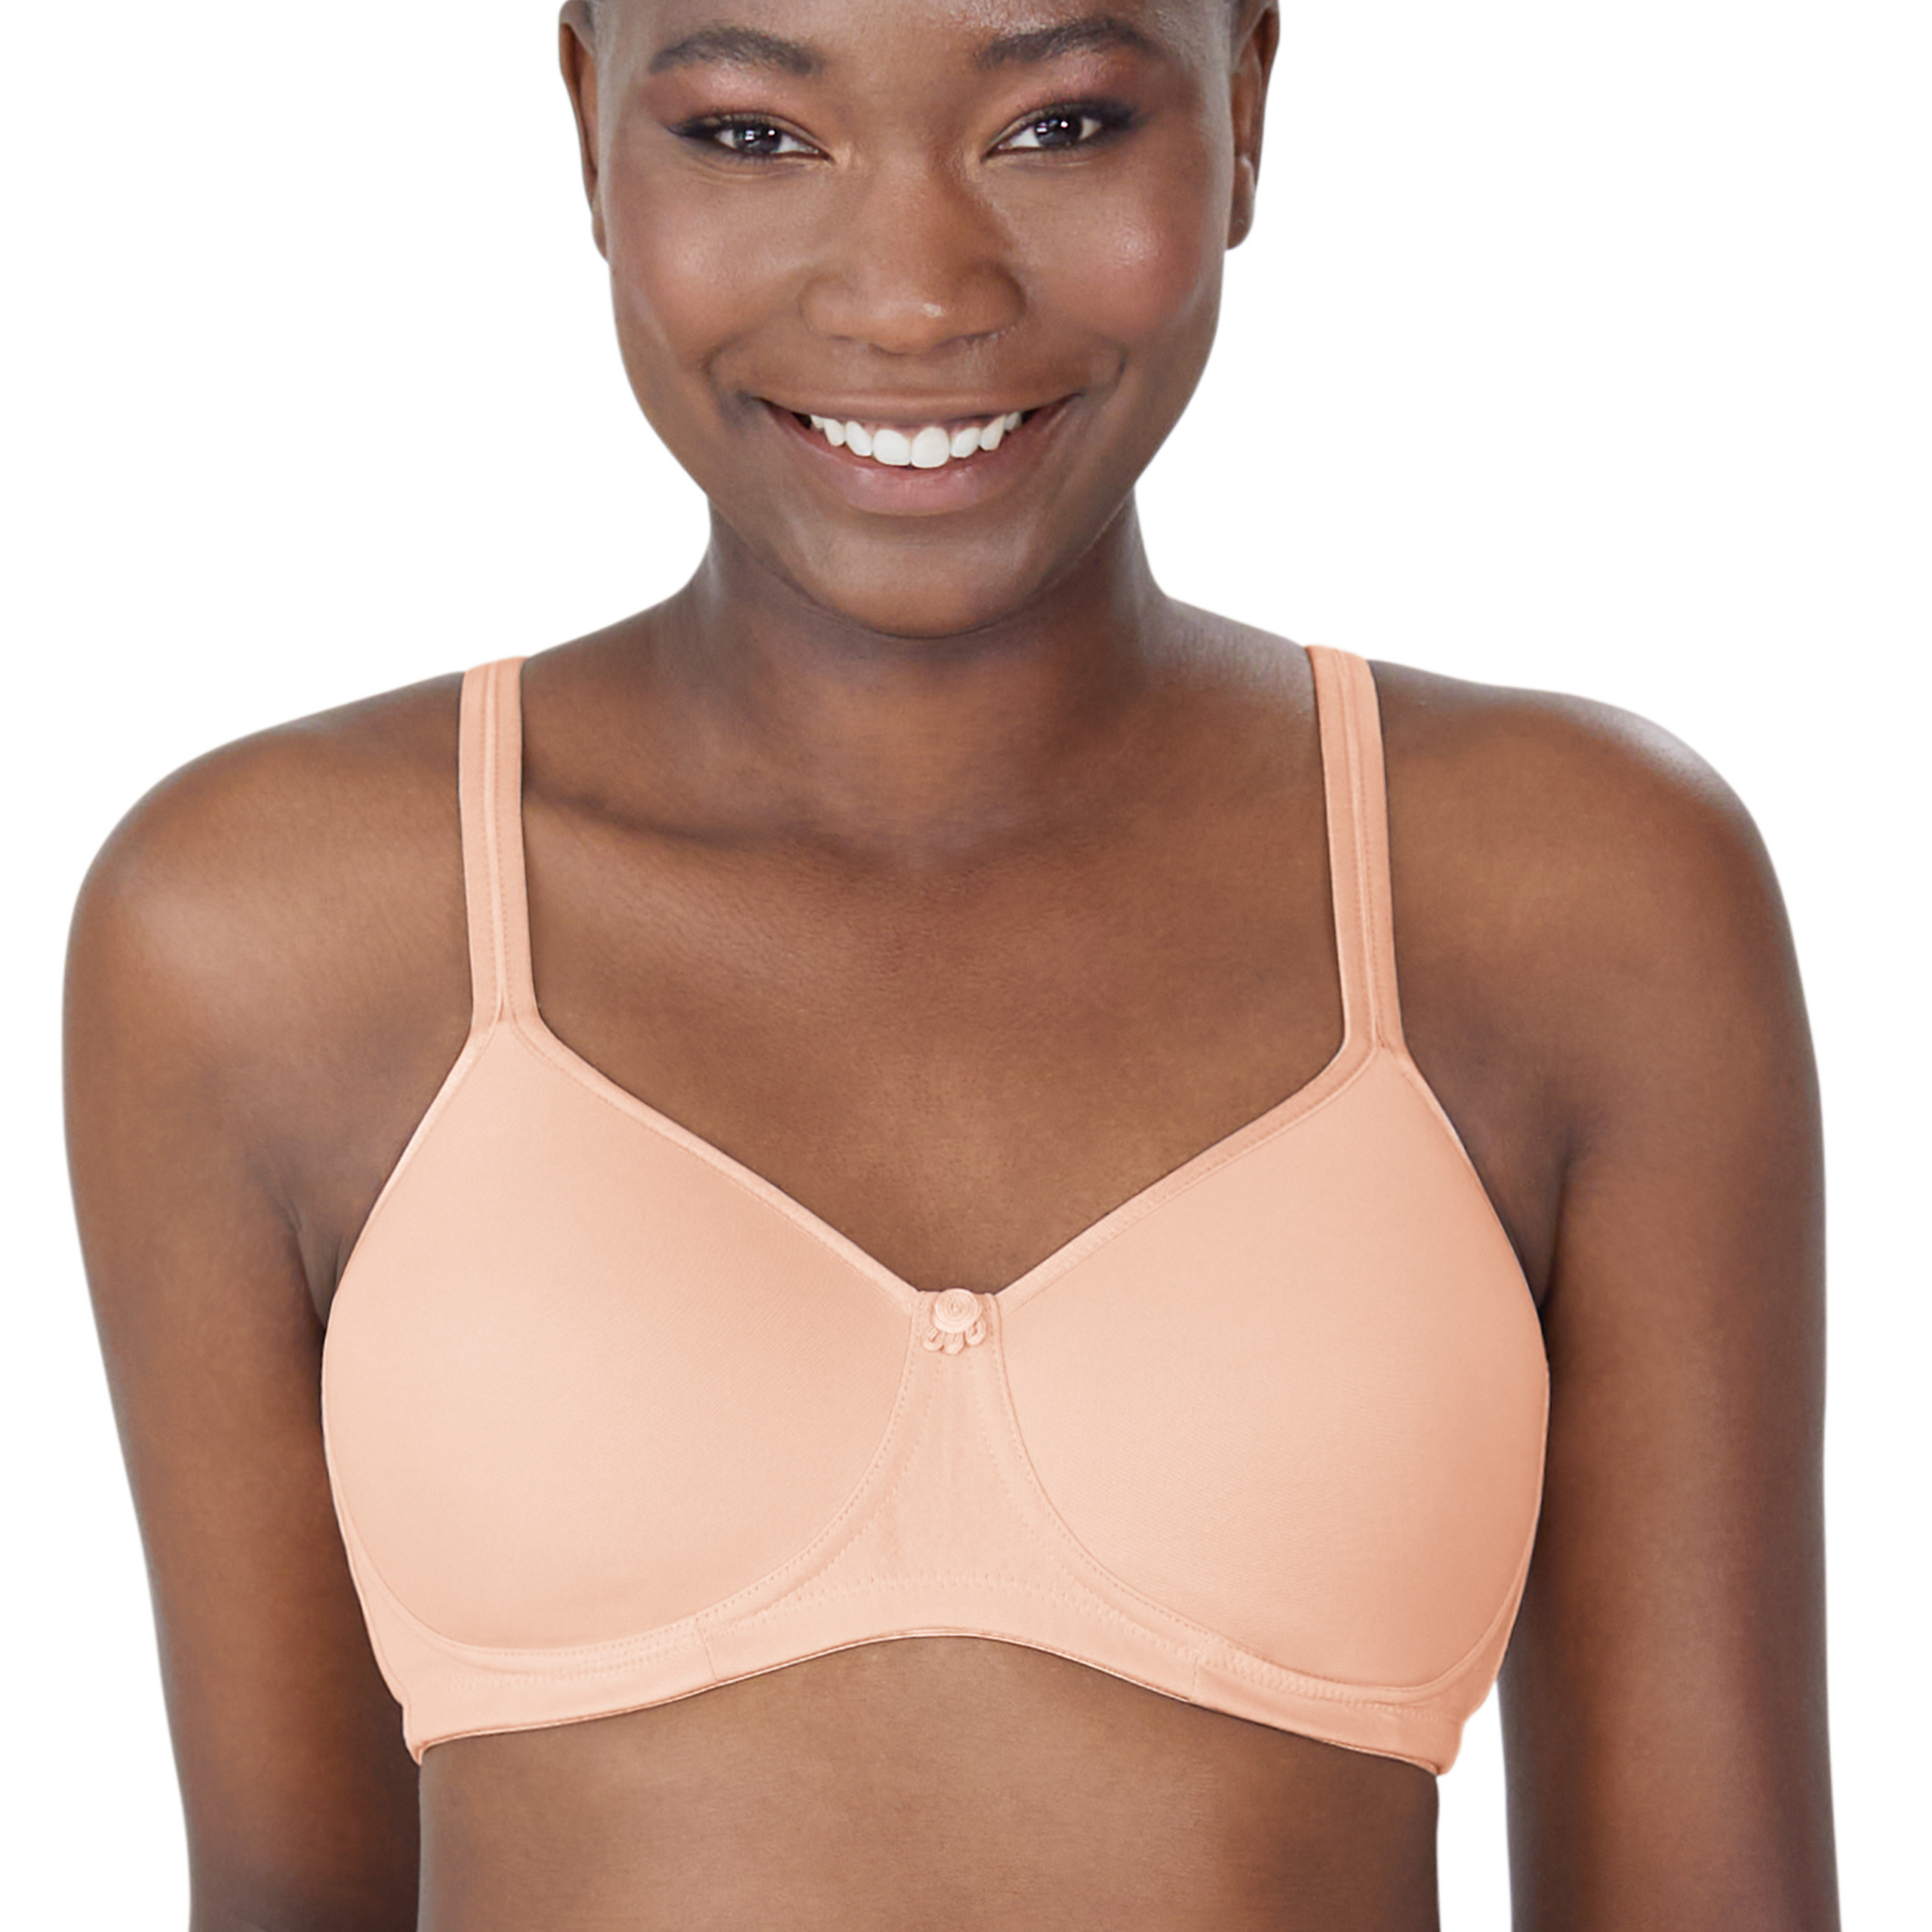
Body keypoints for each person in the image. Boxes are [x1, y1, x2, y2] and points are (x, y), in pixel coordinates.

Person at [64, 1, 1840, 1925]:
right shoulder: (263, 937)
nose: (913, 299)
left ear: (1245, 99)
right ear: (587, 115)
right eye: (752, 132)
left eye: (1058, 123)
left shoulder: (1569, 900)